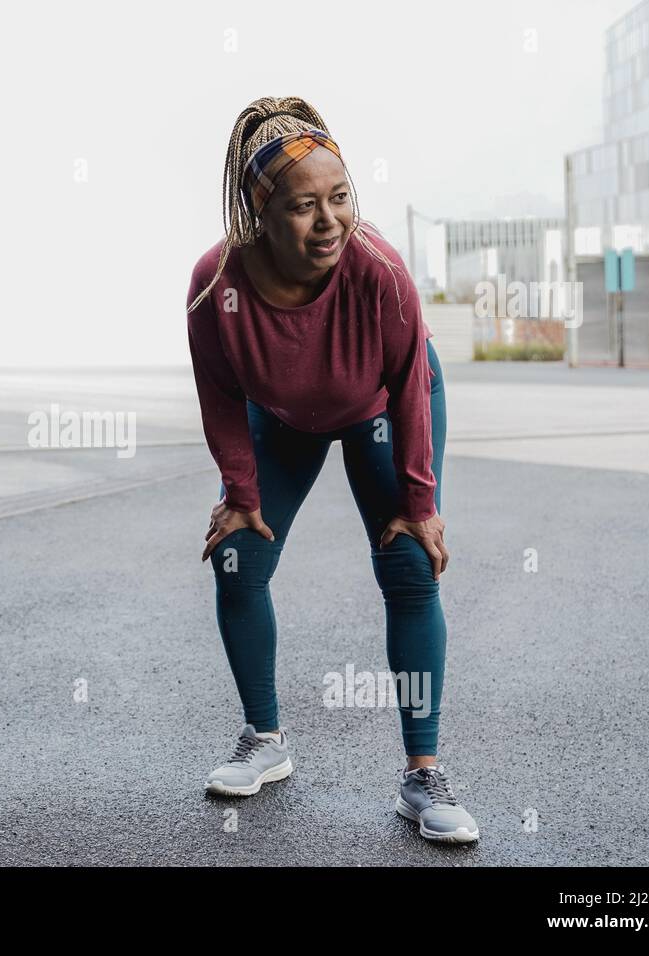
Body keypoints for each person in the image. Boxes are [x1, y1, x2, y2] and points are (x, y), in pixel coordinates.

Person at [185, 96, 478, 843]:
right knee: (237, 558)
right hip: (285, 417)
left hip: (385, 404)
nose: (329, 222)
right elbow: (219, 393)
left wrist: (419, 501)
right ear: (259, 208)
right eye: (305, 206)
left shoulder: (378, 271)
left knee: (411, 564)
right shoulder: (216, 285)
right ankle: (265, 740)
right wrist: (240, 493)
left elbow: (413, 380)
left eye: (340, 198)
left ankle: (423, 775)